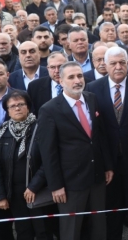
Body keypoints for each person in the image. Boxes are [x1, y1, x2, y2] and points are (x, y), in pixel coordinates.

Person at [37, 62, 114, 240]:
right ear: (61, 80)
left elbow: (99, 137)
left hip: (96, 177)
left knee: (98, 226)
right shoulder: (49, 109)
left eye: (79, 76)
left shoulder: (91, 99)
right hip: (70, 183)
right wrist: (56, 186)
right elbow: (48, 152)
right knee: (71, 230)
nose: (77, 80)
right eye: (71, 77)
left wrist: (108, 166)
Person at [86, 47, 128, 240]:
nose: (118, 67)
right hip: (108, 160)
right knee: (112, 206)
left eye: (122, 62)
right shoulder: (93, 88)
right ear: (104, 65)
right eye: (113, 63)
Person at [0, 90, 49, 240]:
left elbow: (48, 161)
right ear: (7, 111)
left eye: (21, 104)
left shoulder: (40, 128)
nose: (17, 108)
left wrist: (34, 186)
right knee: (23, 232)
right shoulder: (1, 133)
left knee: (43, 231)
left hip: (39, 190)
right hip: (14, 194)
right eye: (12, 106)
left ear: (28, 107)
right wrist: (0, 196)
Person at [27, 52, 66, 117]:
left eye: (60, 66)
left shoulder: (80, 83)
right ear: (47, 68)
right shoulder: (34, 87)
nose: (57, 71)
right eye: (52, 67)